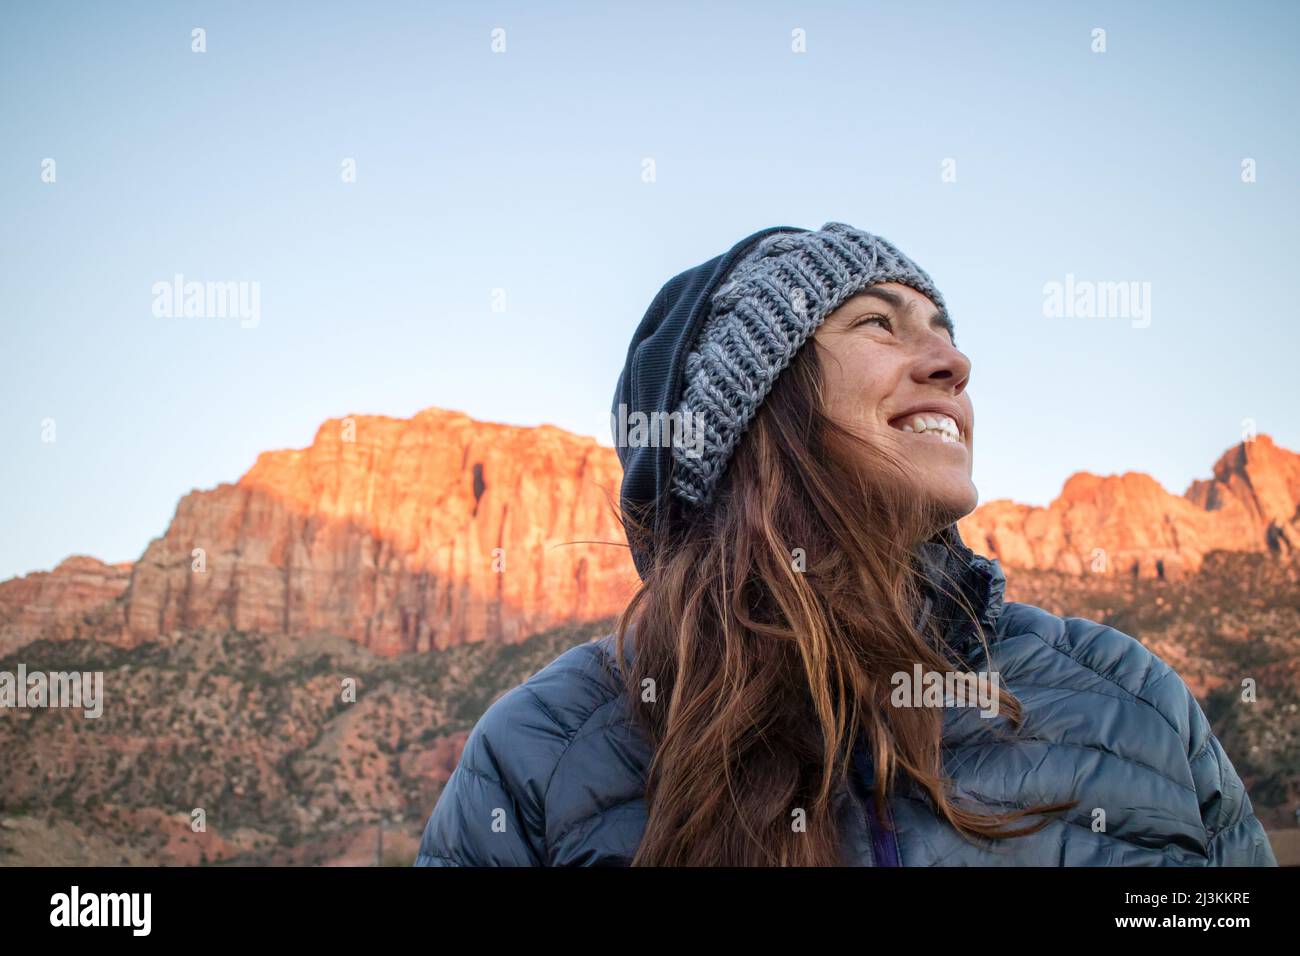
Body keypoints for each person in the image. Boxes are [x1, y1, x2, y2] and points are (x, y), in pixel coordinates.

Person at [414, 221, 1277, 866]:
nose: (951, 360)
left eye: (943, 328)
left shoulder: (1130, 697)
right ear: (752, 410)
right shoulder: (540, 751)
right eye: (879, 323)